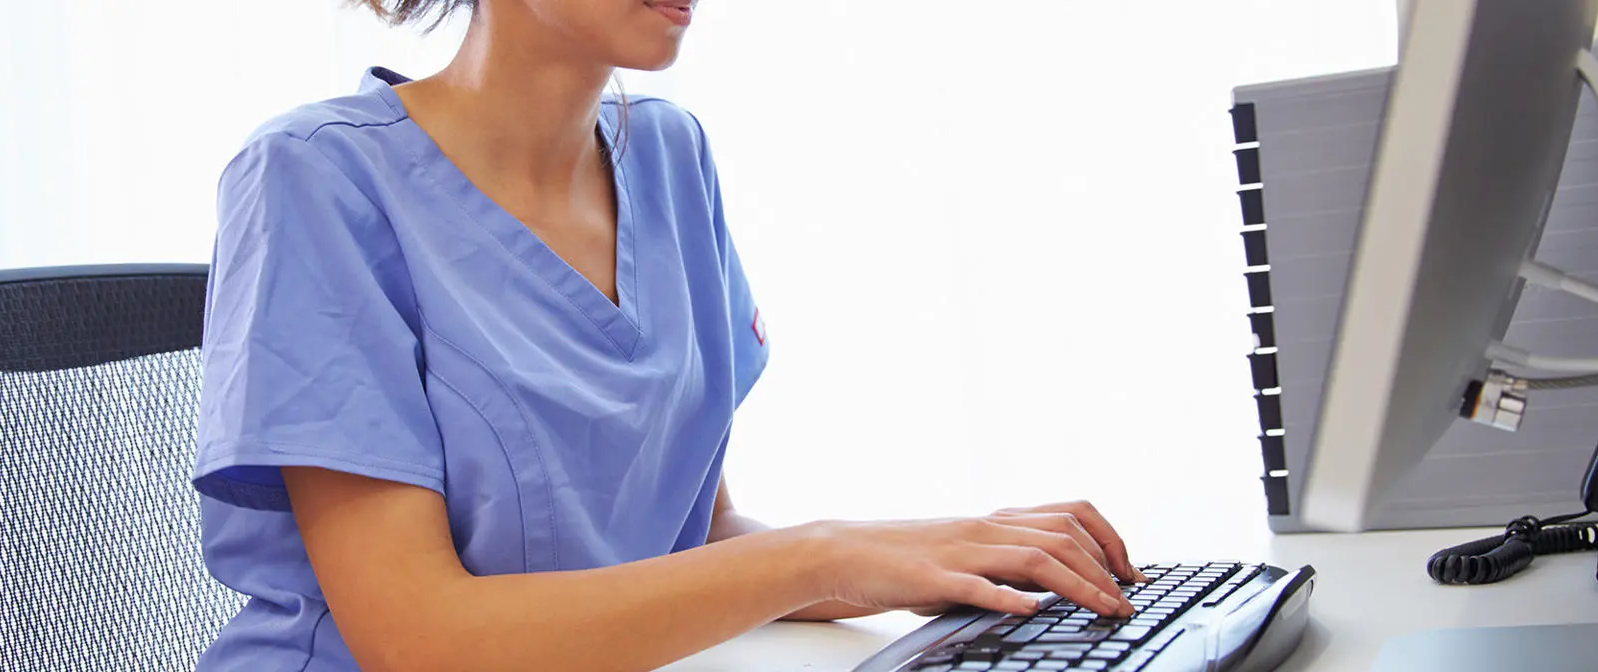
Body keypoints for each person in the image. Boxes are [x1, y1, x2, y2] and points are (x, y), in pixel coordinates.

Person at [191, 0, 1146, 669]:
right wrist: (822, 554)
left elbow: (703, 533)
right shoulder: (313, 180)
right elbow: (419, 639)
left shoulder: (669, 153)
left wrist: (916, 563)